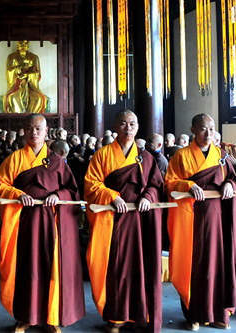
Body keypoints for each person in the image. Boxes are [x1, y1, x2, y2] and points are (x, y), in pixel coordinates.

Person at [0, 114, 85, 333]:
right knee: (26, 268)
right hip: (24, 222)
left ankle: (50, 317)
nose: (34, 133)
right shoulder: (14, 159)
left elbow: (72, 190)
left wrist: (58, 195)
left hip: (52, 223)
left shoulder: (57, 161)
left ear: (46, 131)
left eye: (38, 129)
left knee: (50, 267)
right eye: (29, 128)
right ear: (24, 131)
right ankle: (25, 317)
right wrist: (17, 194)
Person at [84, 110, 163, 333]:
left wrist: (148, 197)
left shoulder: (146, 157)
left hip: (140, 220)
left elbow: (156, 184)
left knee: (142, 265)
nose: (128, 128)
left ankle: (139, 315)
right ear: (115, 126)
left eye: (132, 124)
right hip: (114, 220)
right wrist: (112, 196)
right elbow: (91, 184)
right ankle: (117, 316)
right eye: (123, 123)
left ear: (138, 127)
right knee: (117, 266)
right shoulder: (102, 155)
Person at [166, 114, 236, 330]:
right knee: (195, 265)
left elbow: (235, 180)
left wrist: (229, 184)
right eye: (203, 129)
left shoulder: (222, 156)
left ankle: (219, 313)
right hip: (193, 218)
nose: (208, 133)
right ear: (193, 130)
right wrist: (188, 185)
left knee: (219, 264)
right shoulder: (181, 156)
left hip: (219, 219)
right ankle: (194, 315)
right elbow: (169, 183)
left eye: (211, 129)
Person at [4, 41, 48, 113]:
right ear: (17, 44)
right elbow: (9, 71)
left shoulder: (34, 57)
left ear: (28, 44)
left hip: (30, 85)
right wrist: (18, 69)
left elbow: (36, 73)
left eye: (25, 43)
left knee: (39, 98)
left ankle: (32, 117)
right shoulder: (12, 57)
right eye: (21, 43)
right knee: (12, 97)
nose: (23, 45)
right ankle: (17, 118)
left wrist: (27, 75)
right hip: (18, 85)